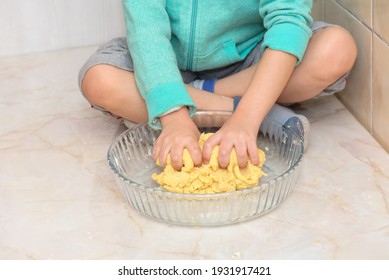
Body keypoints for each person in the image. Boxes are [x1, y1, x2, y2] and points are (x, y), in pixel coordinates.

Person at [78, 0, 357, 171]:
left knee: (336, 48)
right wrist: (174, 118)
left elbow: (288, 20)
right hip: (163, 64)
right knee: (100, 79)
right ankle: (265, 115)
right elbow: (146, 31)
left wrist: (246, 121)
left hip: (249, 61)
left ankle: (204, 98)